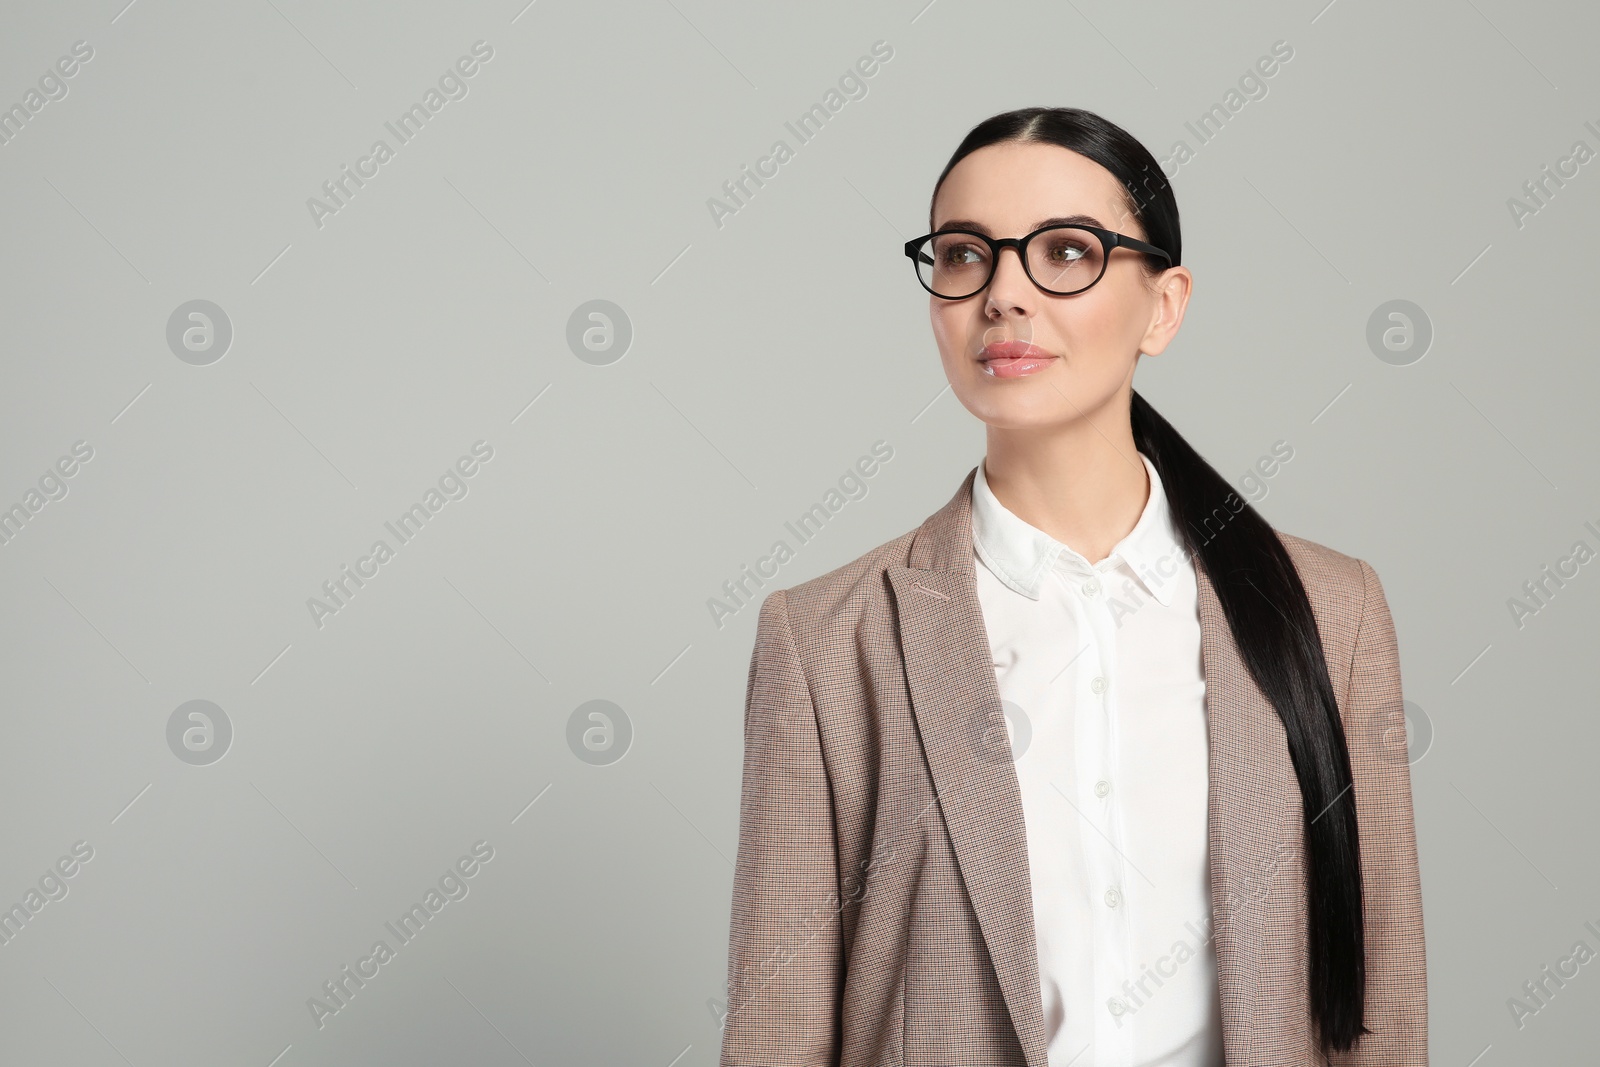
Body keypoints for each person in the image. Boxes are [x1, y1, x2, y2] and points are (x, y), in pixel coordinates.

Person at [718, 106, 1426, 1067]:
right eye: (966, 254)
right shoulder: (826, 638)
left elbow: (1382, 1007)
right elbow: (778, 1031)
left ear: (1164, 305)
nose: (1004, 294)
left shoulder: (1330, 609)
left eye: (1064, 251)